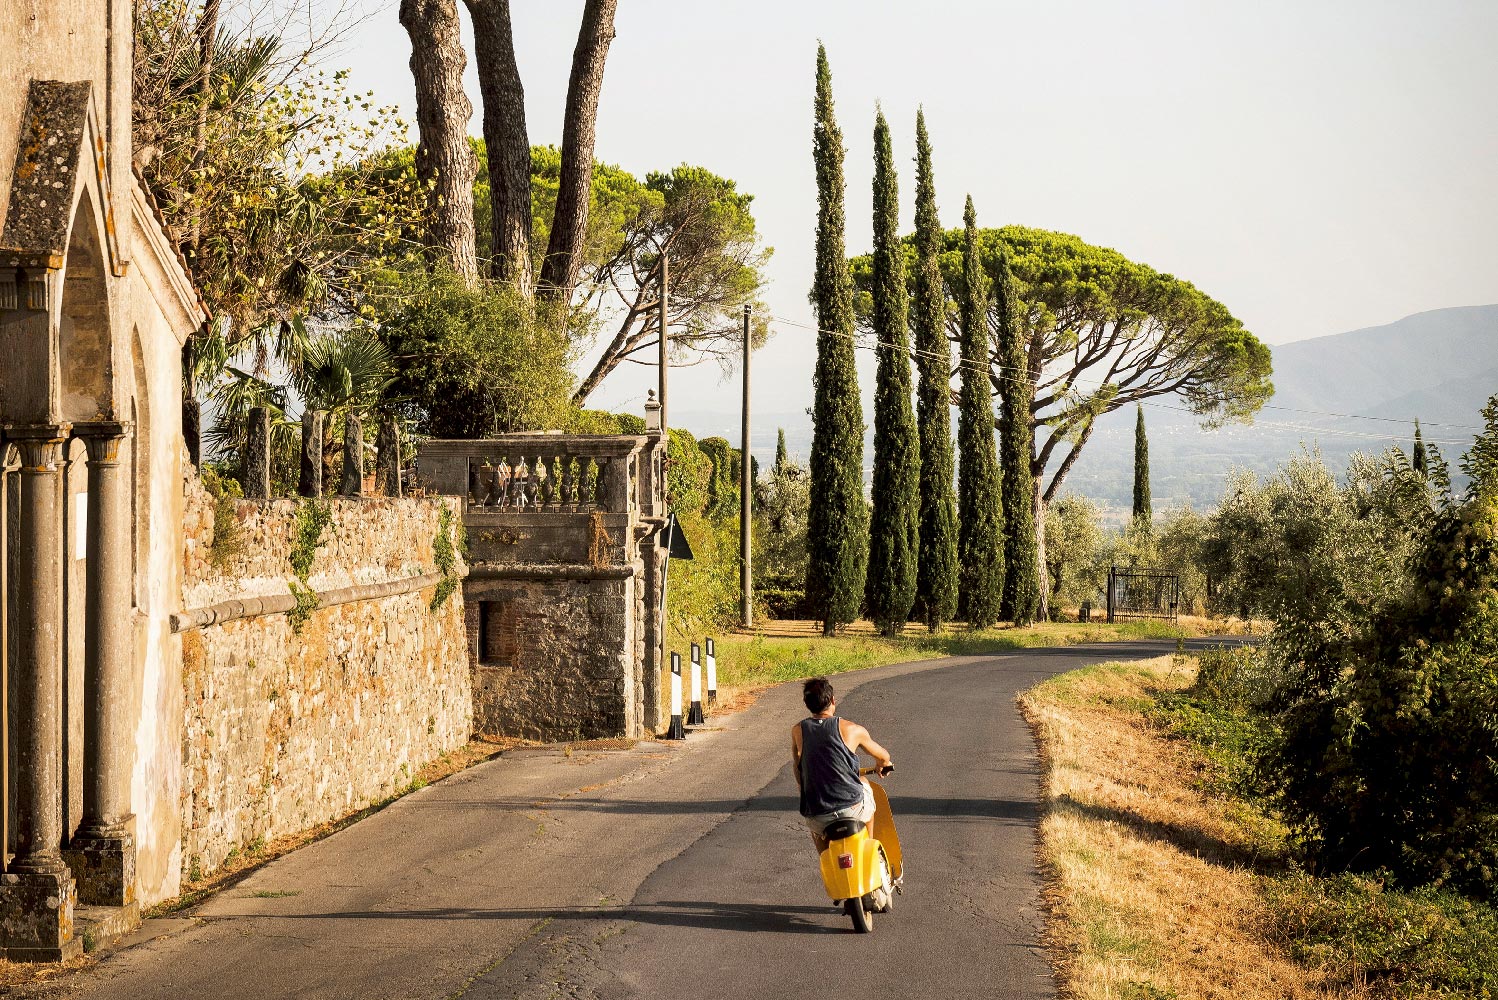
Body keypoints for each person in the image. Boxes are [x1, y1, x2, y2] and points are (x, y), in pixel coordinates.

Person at [791, 676, 893, 852]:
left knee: (816, 831)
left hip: (817, 814)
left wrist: (804, 790)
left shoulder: (798, 730)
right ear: (832, 700)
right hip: (852, 810)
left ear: (806, 703)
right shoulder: (852, 729)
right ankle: (870, 850)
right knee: (865, 785)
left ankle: (825, 856)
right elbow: (883, 756)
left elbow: (798, 766)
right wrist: (883, 764)